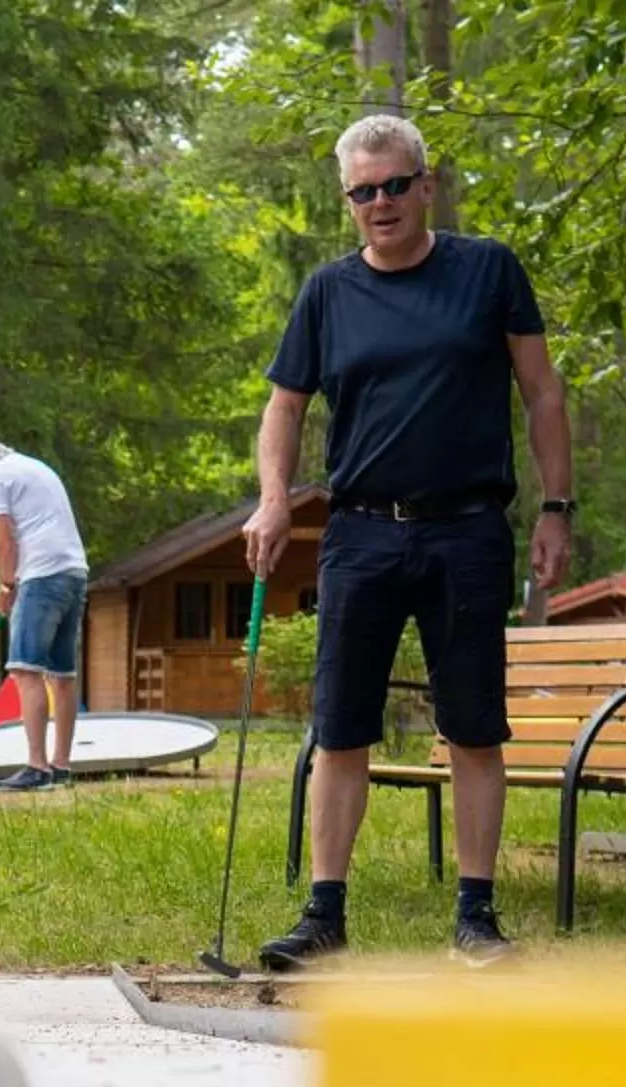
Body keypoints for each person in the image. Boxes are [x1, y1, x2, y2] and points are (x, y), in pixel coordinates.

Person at [241, 114, 573, 970]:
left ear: (427, 185)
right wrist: (274, 500)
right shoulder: (327, 292)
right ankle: (324, 918)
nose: (380, 203)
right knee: (340, 726)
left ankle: (476, 916)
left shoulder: (488, 269)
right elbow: (285, 407)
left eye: (395, 185)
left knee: (472, 726)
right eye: (363, 192)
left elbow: (540, 392)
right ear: (347, 201)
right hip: (359, 534)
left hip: (466, 531)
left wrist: (556, 507)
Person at [0, 434, 89, 791]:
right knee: (63, 675)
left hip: (41, 575)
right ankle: (61, 765)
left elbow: (4, 538)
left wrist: (7, 586)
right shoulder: (34, 466)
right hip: (74, 571)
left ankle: (36, 767)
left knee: (26, 671)